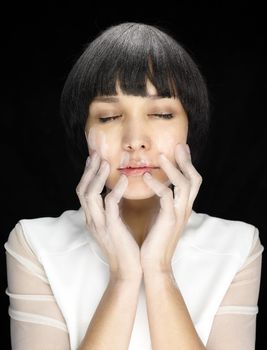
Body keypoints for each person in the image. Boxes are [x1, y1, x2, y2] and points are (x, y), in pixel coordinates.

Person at [4, 22, 263, 350]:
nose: (136, 141)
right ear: (82, 132)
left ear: (190, 129)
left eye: (161, 114)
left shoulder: (237, 246)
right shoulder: (34, 245)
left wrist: (159, 271)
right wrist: (123, 279)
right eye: (109, 117)